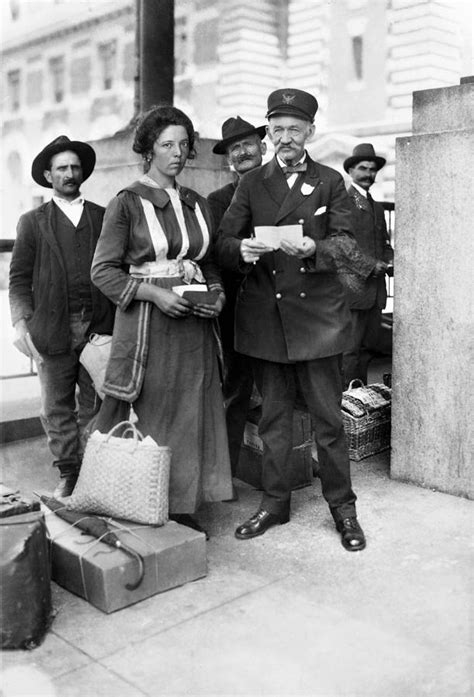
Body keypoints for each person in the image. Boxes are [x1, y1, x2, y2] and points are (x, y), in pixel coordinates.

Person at [216, 88, 369, 551]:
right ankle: (274, 503)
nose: (285, 138)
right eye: (277, 129)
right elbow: (223, 239)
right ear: (270, 133)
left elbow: (347, 246)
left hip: (318, 320)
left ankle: (344, 511)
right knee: (275, 422)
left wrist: (314, 249)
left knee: (328, 422)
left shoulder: (329, 182)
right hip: (267, 318)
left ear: (310, 133)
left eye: (294, 130)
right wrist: (241, 249)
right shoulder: (251, 183)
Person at [91, 105, 233, 534]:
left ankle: (183, 504)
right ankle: (140, 497)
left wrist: (218, 296)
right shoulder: (127, 203)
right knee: (155, 410)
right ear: (148, 149)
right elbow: (102, 271)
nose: (177, 152)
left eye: (184, 145)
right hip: (150, 326)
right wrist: (154, 295)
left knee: (192, 410)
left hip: (194, 326)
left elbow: (206, 264)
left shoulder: (196, 203)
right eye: (167, 144)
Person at [9, 136, 115, 498]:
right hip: (52, 329)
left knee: (95, 403)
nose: (69, 174)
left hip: (98, 327)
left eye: (74, 167)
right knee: (55, 406)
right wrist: (21, 322)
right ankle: (69, 473)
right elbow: (19, 279)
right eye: (61, 169)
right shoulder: (33, 222)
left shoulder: (103, 216)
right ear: (47, 175)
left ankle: (93, 471)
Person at [207, 116, 267, 474]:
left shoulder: (283, 189)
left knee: (285, 389)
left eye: (247, 144)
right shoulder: (217, 200)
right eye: (234, 148)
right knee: (236, 390)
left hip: (283, 305)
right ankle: (225, 472)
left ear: (263, 146)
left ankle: (293, 460)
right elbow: (215, 253)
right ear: (228, 158)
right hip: (239, 309)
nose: (242, 152)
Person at [342, 143, 394, 387]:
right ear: (351, 171)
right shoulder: (343, 202)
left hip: (374, 293)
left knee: (366, 350)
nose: (368, 175)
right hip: (352, 291)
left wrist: (391, 258)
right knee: (349, 351)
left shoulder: (376, 206)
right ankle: (347, 405)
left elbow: (383, 243)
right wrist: (372, 266)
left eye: (372, 170)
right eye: (362, 168)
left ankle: (361, 403)